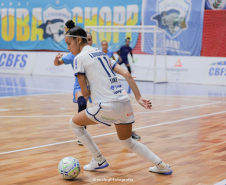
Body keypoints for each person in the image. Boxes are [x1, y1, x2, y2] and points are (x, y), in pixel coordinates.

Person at [65, 20, 172, 174]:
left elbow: (86, 94)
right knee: (127, 141)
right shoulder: (101, 53)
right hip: (125, 102)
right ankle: (162, 165)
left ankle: (98, 159)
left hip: (107, 105)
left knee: (74, 123)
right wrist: (139, 97)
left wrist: (79, 93)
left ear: (78, 40)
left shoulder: (78, 59)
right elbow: (126, 73)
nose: (68, 48)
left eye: (69, 43)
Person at [53, 31, 93, 146]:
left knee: (112, 107)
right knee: (82, 103)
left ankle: (129, 132)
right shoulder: (73, 54)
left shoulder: (94, 53)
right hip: (80, 86)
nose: (88, 41)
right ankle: (82, 135)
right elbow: (57, 63)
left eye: (90, 39)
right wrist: (56, 59)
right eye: (87, 39)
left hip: (95, 85)